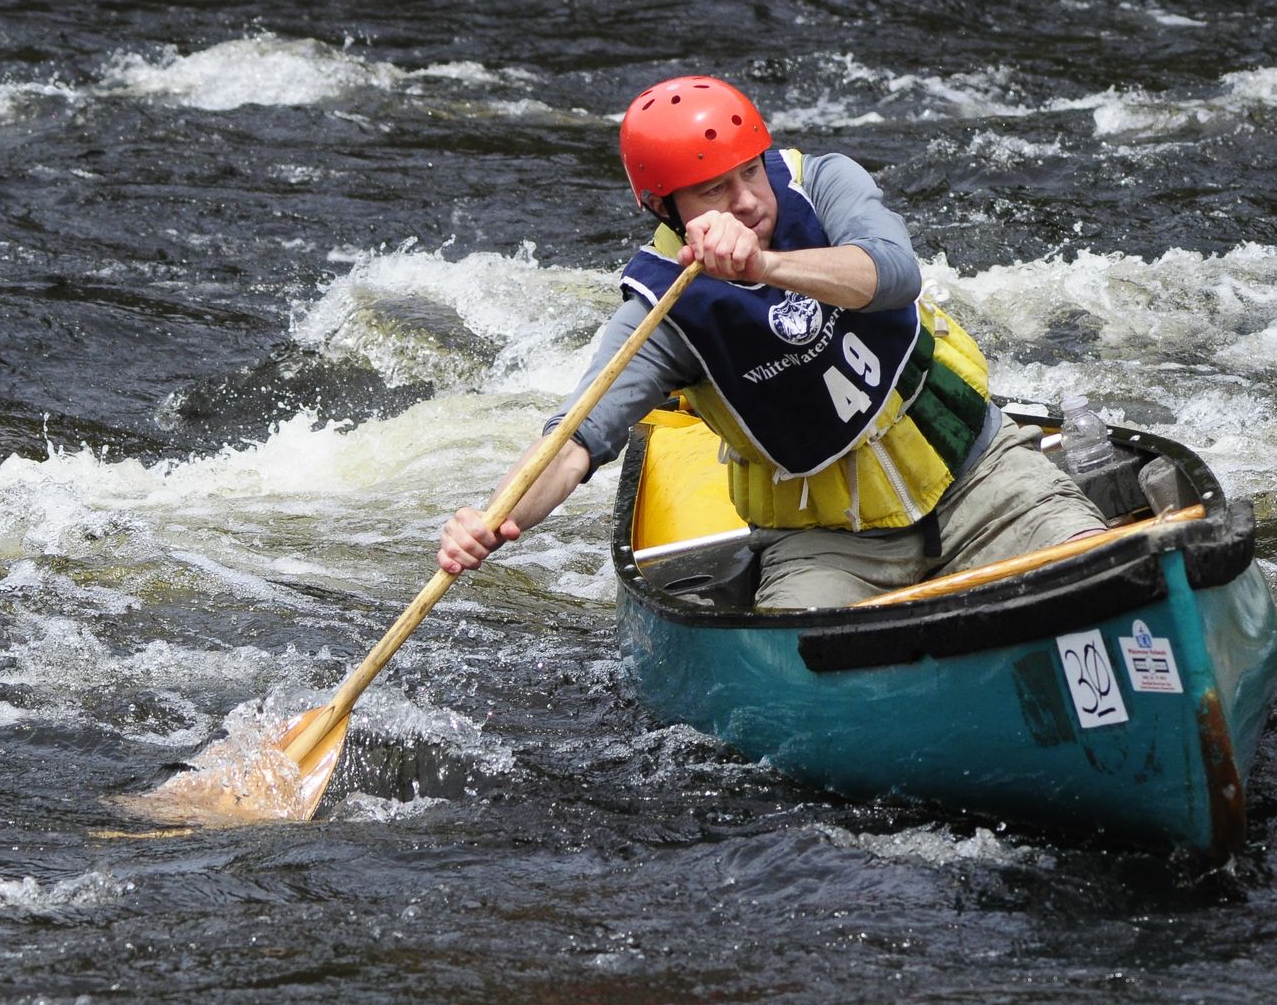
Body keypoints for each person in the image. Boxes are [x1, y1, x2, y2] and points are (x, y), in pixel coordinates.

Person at [437, 74, 1107, 608]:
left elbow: (895, 275)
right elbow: (575, 440)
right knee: (800, 644)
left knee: (1103, 574)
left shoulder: (821, 182)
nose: (749, 200)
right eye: (713, 191)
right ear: (668, 209)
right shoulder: (662, 307)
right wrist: (492, 522)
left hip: (980, 477)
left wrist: (765, 266)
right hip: (826, 543)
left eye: (749, 172)